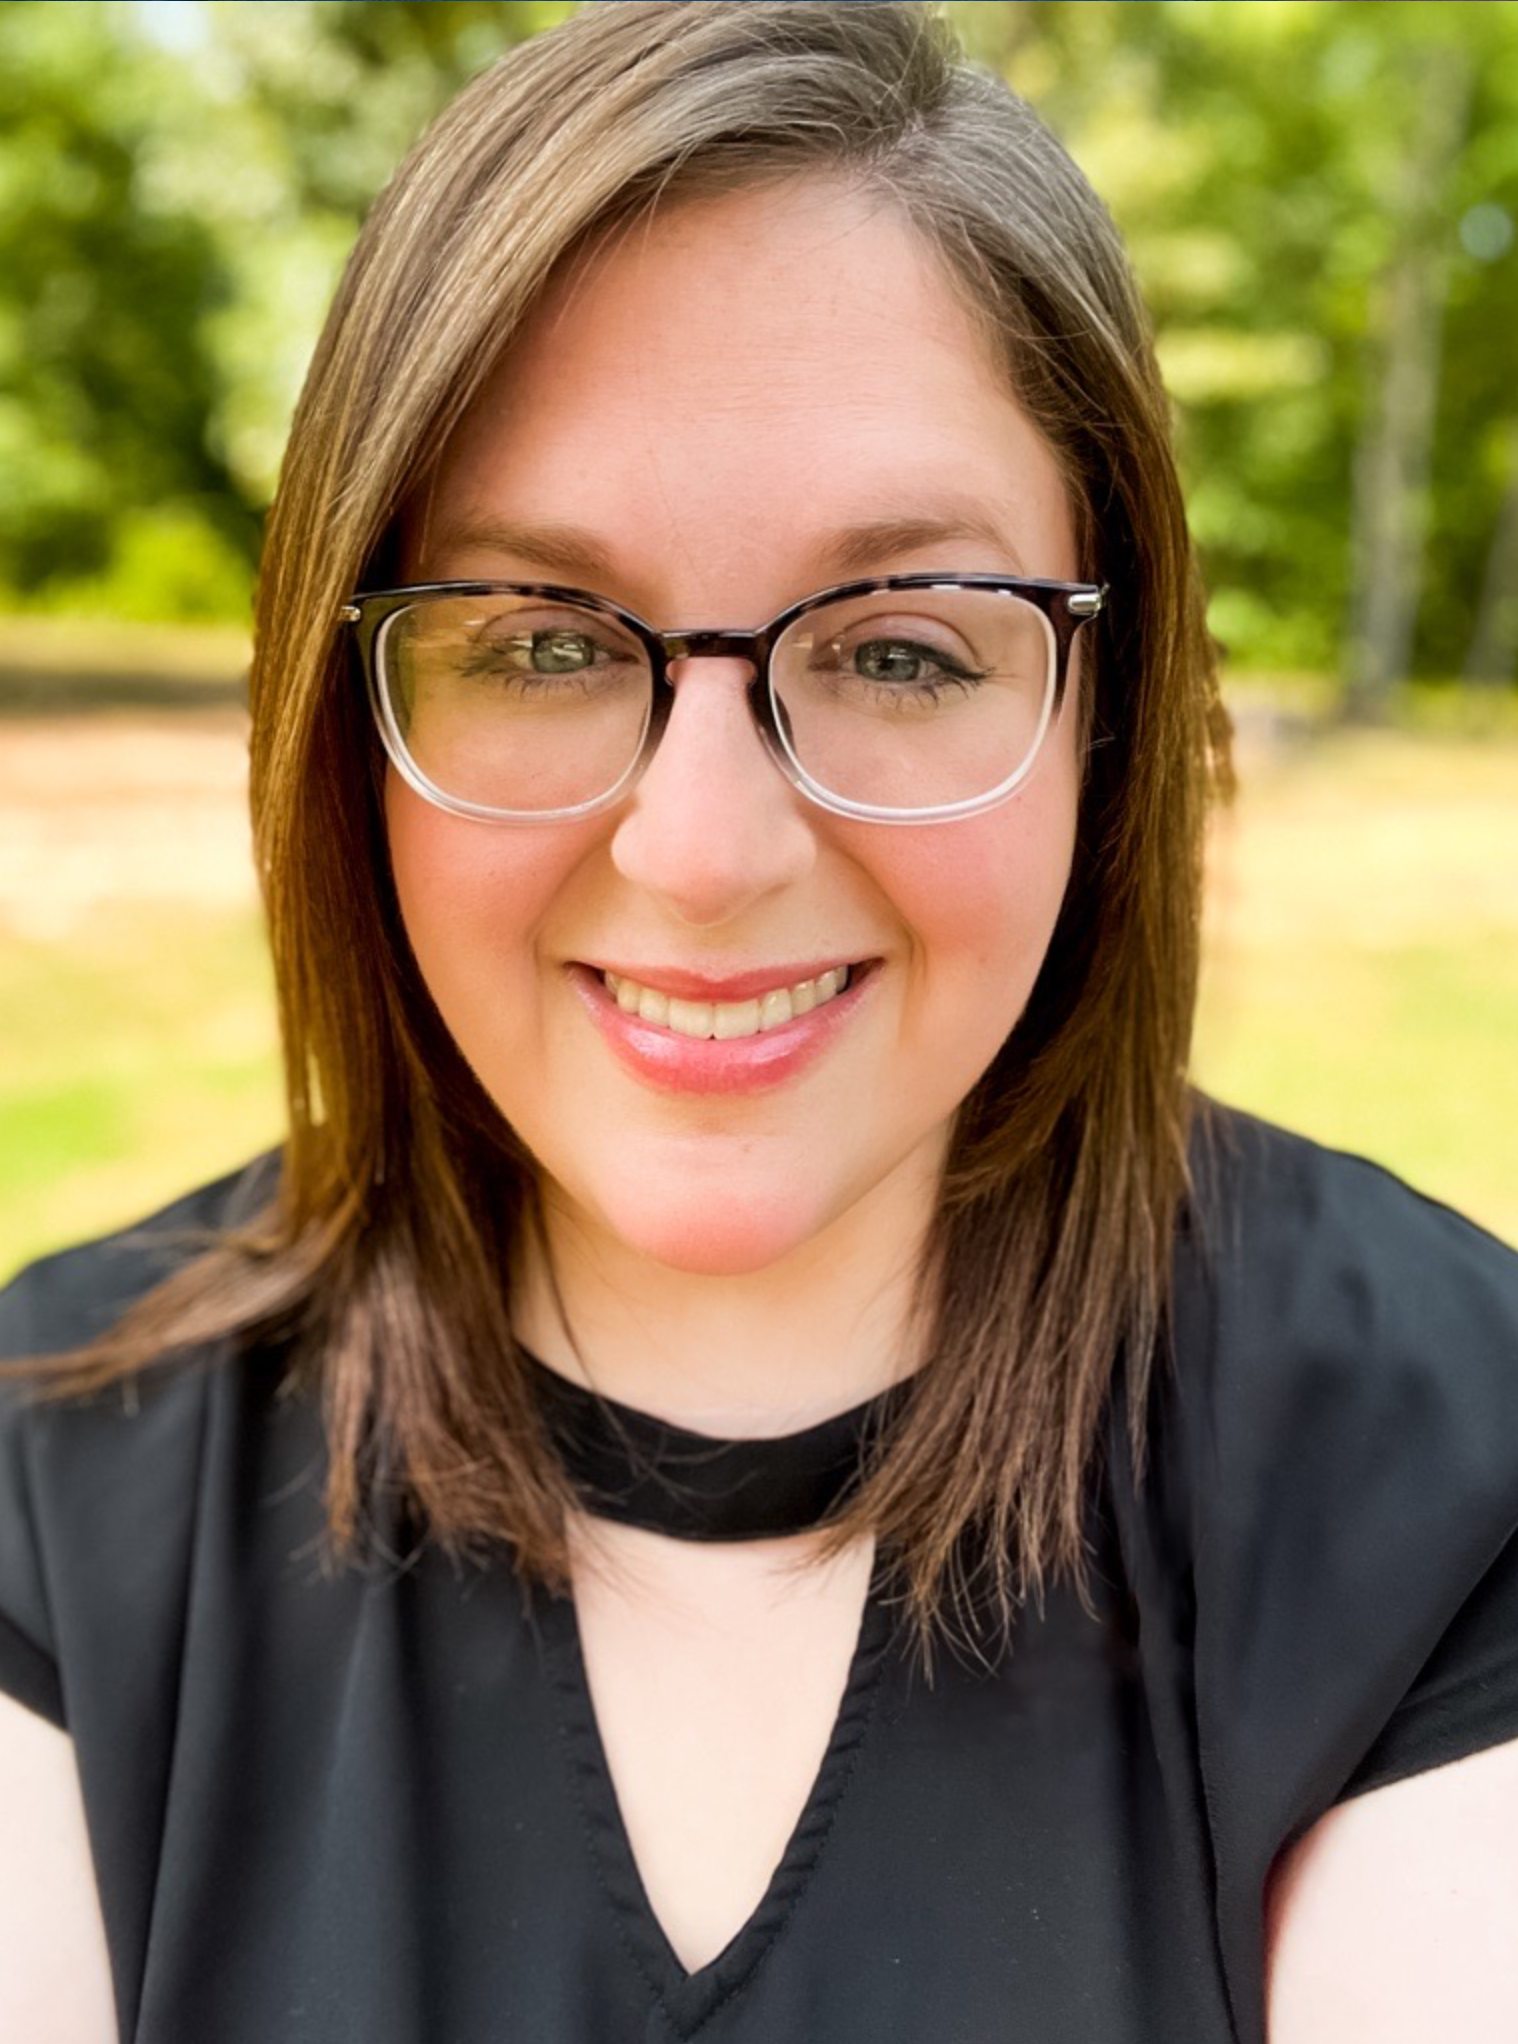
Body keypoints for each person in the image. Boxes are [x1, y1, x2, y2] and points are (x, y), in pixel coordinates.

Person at [3, 4, 1517, 2039]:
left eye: (900, 644)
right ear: (344, 726)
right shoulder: (56, 1491)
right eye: (539, 640)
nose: (705, 849)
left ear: (1108, 717)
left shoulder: (1449, 1473)